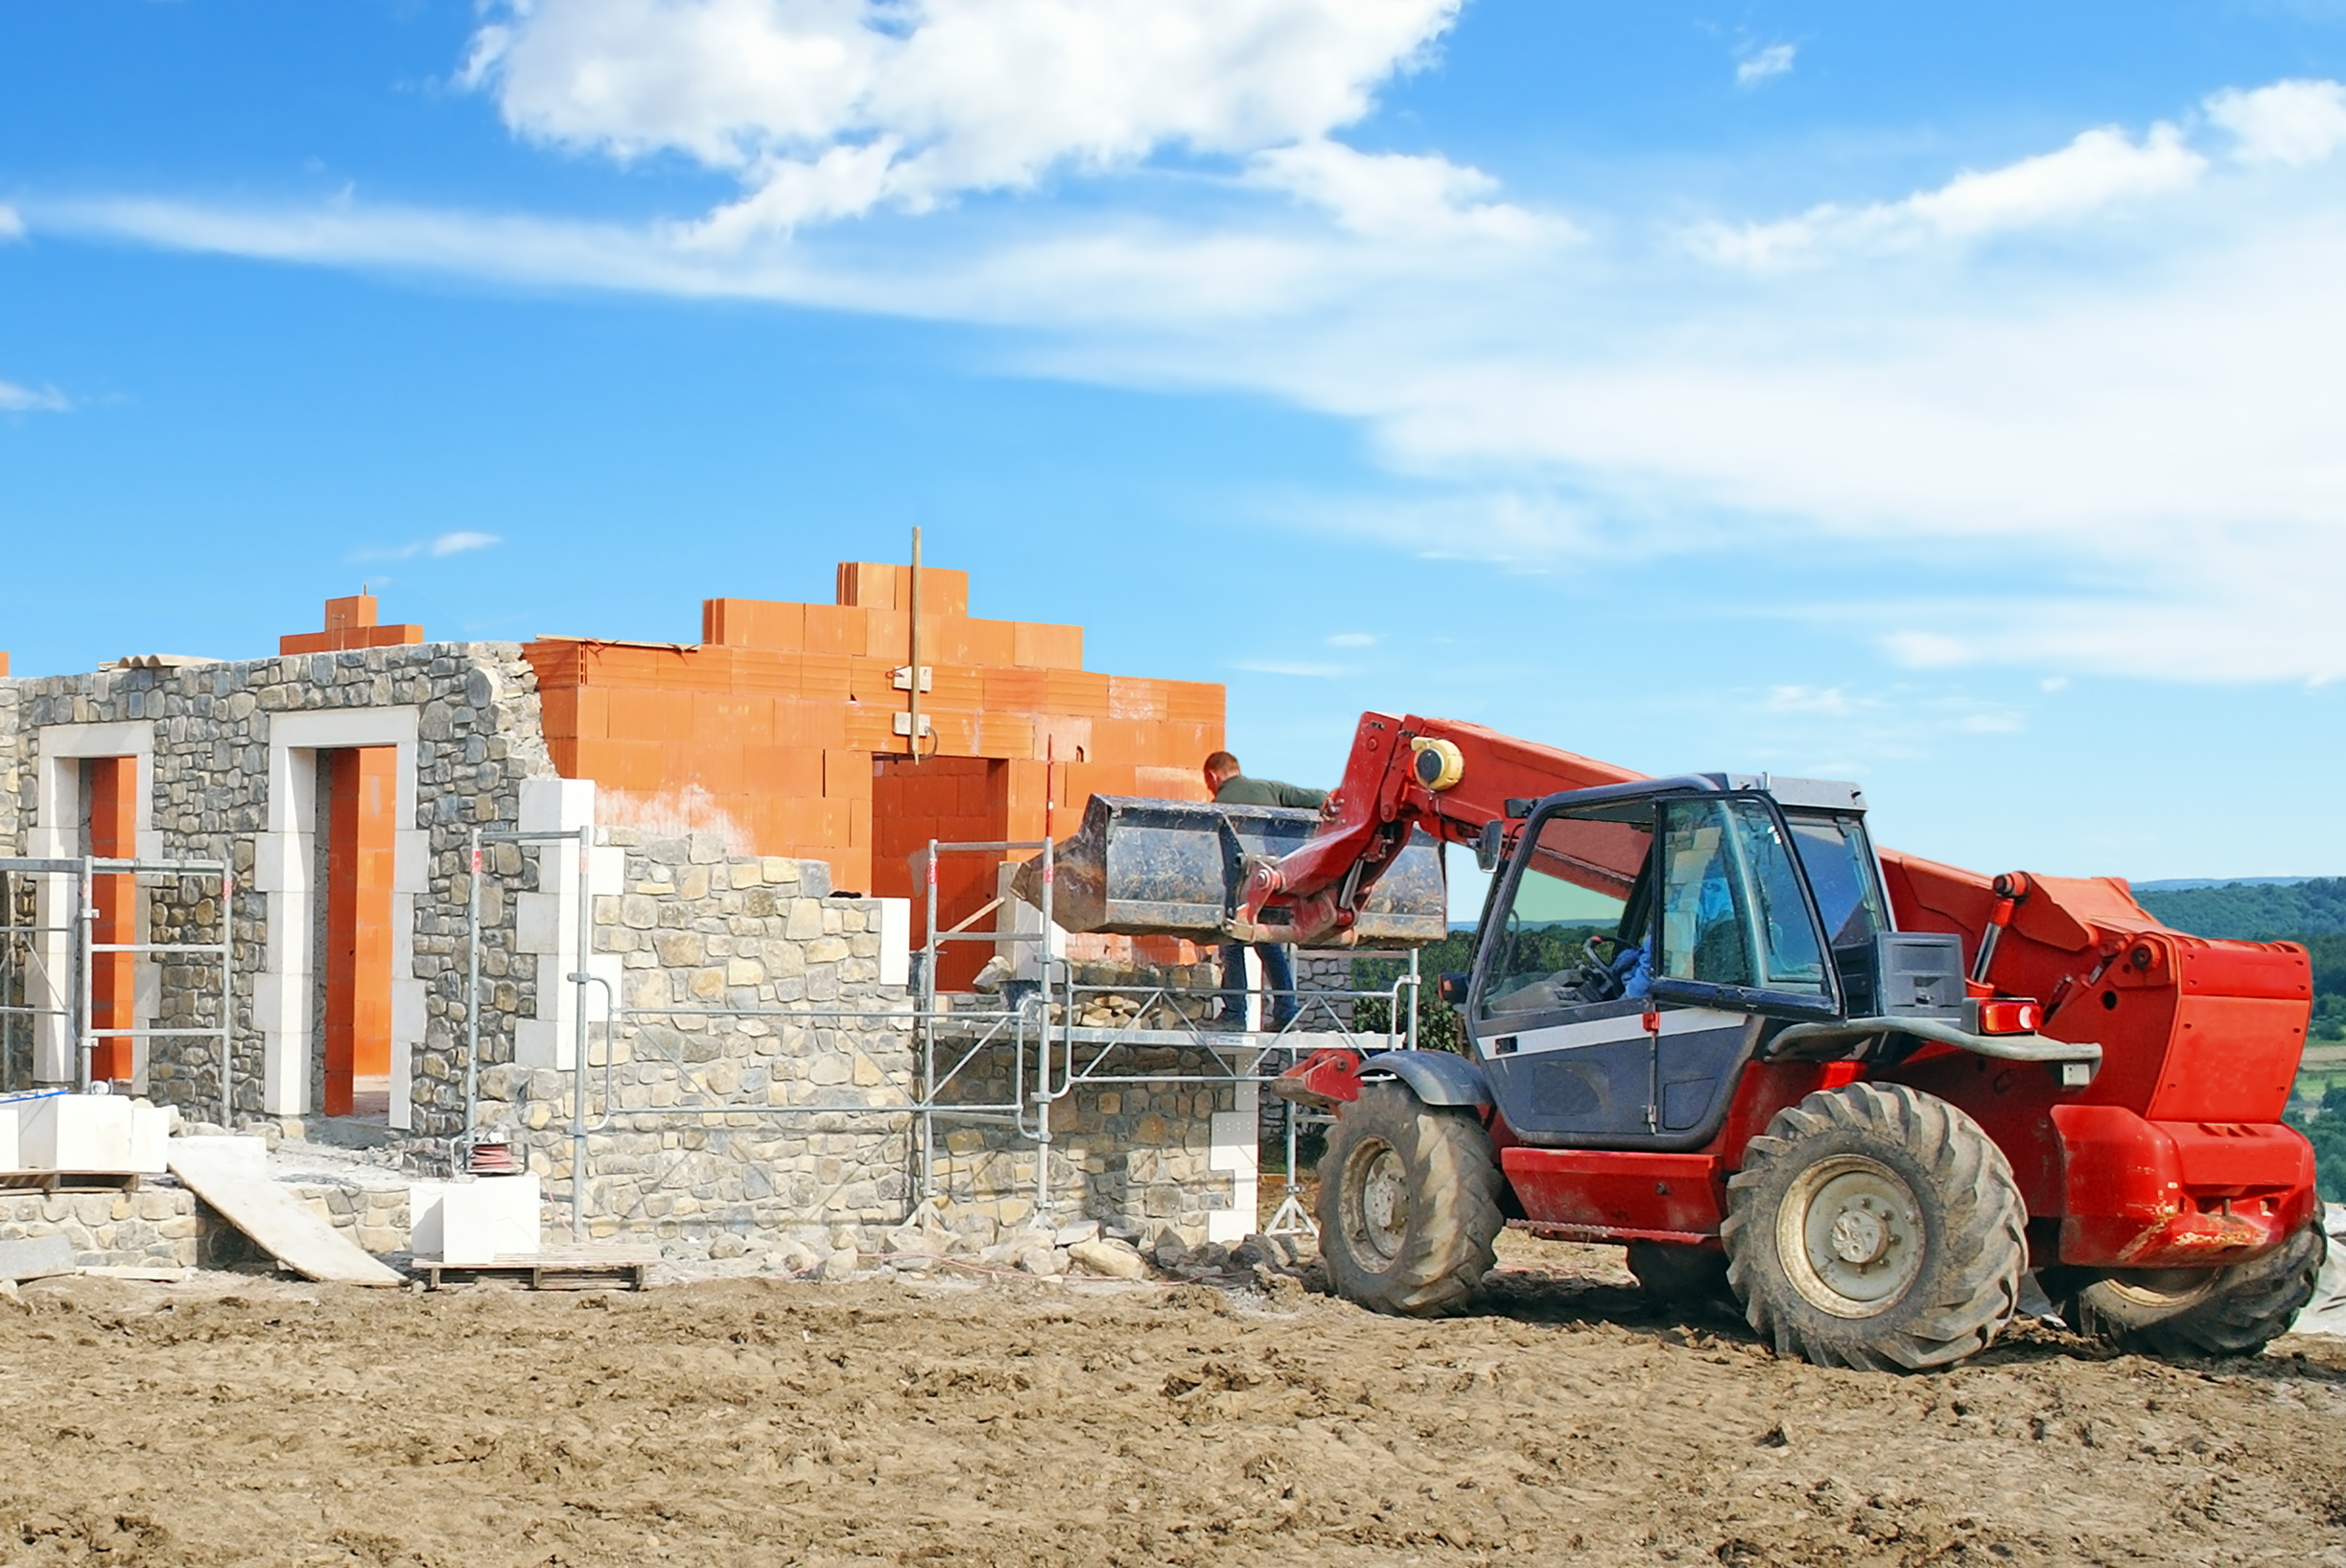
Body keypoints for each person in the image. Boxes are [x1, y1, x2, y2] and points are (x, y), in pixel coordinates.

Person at [1202, 751, 1327, 1030]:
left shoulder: (1218, 806)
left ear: (1213, 776)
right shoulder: (1270, 789)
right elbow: (1320, 798)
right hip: (1277, 884)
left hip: (1241, 890)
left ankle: (1234, 1014)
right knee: (1270, 946)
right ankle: (1286, 1011)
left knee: (1232, 946)